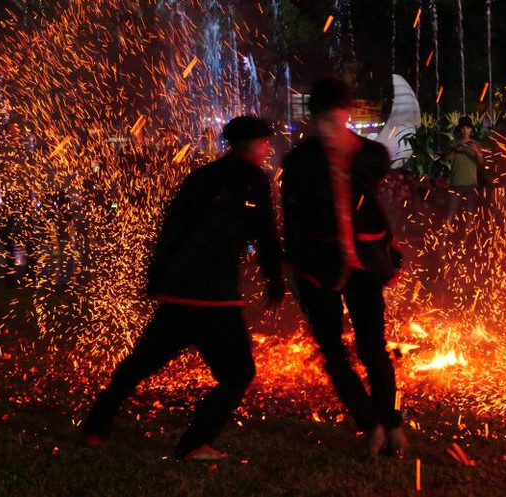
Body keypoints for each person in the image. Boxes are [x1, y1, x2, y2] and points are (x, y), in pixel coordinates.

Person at [82, 116, 285, 461]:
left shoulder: (201, 177)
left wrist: (158, 277)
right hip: (212, 296)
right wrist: (276, 280)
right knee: (238, 373)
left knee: (140, 363)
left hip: (178, 290)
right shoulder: (253, 181)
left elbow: (172, 227)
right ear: (253, 144)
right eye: (265, 142)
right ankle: (195, 444)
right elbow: (265, 234)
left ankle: (95, 426)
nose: (267, 149)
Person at [282, 77, 407, 458]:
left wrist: (344, 160)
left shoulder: (369, 155)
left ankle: (392, 425)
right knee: (333, 352)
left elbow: (371, 192)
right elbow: (293, 219)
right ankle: (369, 423)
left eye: (334, 119)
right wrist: (294, 268)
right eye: (321, 120)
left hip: (364, 267)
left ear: (346, 115)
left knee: (373, 350)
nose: (327, 127)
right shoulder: (301, 162)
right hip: (319, 268)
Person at [444, 116, 484, 222]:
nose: (465, 130)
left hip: (472, 184)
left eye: (467, 128)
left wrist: (477, 151)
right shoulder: (453, 143)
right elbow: (446, 159)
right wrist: (457, 149)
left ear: (471, 130)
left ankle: (467, 238)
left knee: (470, 214)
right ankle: (444, 237)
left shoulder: (476, 144)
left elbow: (481, 162)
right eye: (463, 128)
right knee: (451, 212)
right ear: (460, 130)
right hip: (456, 183)